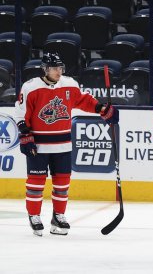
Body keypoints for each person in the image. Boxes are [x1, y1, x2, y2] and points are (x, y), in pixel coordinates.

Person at [14, 52, 119, 236]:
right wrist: (25, 134)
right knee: (36, 183)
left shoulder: (69, 84)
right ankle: (34, 215)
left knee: (62, 183)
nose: (58, 71)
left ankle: (59, 216)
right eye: (54, 68)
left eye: (60, 68)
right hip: (39, 145)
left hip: (63, 144)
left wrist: (101, 109)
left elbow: (84, 100)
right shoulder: (31, 87)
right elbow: (21, 113)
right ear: (45, 69)